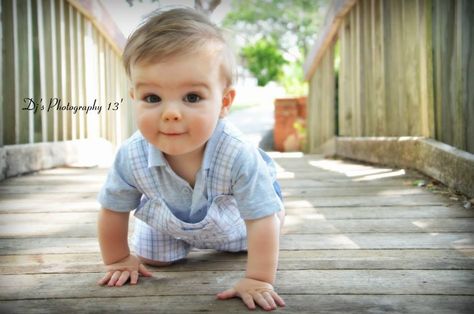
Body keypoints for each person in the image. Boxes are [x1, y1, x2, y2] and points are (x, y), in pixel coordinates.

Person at [96, 7, 285, 311]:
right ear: (134, 98)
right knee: (153, 258)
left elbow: (259, 219)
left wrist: (259, 278)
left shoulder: (237, 153)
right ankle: (169, 244)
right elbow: (112, 210)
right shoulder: (131, 155)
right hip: (172, 219)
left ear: (224, 103)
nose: (171, 112)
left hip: (236, 219)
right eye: (152, 98)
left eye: (192, 98)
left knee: (264, 229)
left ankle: (279, 219)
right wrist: (118, 258)